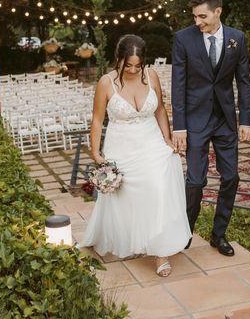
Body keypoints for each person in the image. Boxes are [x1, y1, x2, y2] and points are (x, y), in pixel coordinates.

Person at [80, 35, 191, 277]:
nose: (132, 70)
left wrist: (168, 139)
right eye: (127, 65)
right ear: (118, 59)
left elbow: (160, 109)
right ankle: (133, 238)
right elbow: (98, 120)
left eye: (137, 66)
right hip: (122, 145)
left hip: (151, 141)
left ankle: (161, 251)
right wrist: (96, 152)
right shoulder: (105, 83)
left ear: (144, 63)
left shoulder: (151, 76)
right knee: (128, 195)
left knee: (159, 184)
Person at [171, 0, 250, 256]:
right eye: (195, 17)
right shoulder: (183, 39)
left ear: (218, 11)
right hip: (195, 120)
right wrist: (179, 126)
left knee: (231, 177)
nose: (198, 22)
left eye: (202, 16)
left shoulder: (237, 39)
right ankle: (185, 233)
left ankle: (219, 235)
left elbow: (243, 81)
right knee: (196, 181)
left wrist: (246, 119)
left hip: (226, 121)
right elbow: (178, 85)